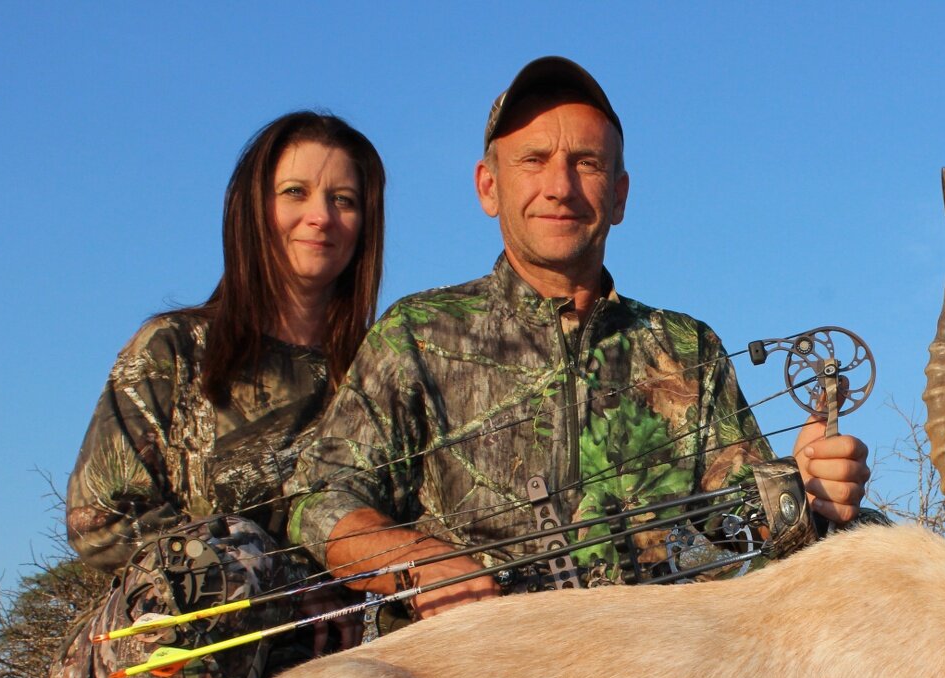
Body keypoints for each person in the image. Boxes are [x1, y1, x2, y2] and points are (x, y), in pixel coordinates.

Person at [292, 57, 870, 617]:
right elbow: (320, 500)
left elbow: (748, 524)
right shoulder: (415, 335)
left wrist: (810, 489)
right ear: (488, 187)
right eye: (534, 160)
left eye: (587, 163)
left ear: (618, 196)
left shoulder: (686, 346)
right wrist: (416, 564)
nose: (559, 187)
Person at [52, 111, 386, 678]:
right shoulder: (175, 348)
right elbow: (98, 517)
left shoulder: (381, 369)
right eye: (295, 192)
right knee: (217, 553)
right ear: (252, 210)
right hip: (163, 647)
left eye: (343, 200)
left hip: (322, 653)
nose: (320, 216)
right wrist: (277, 577)